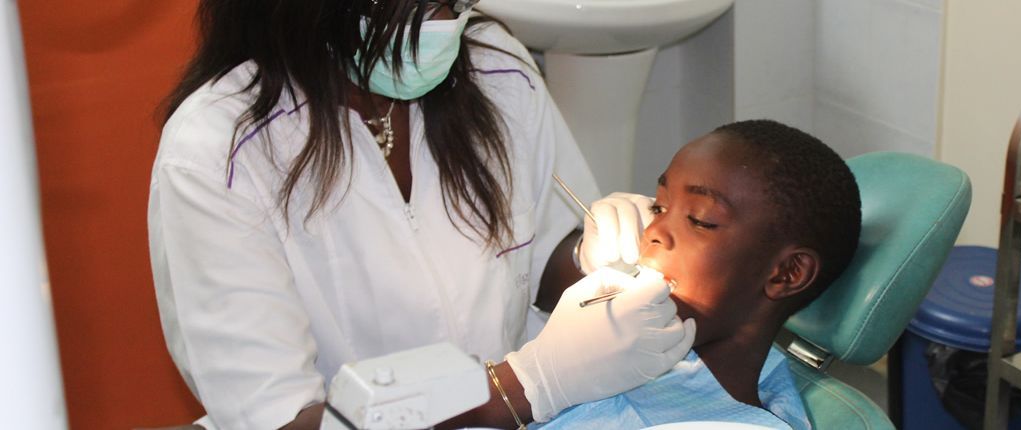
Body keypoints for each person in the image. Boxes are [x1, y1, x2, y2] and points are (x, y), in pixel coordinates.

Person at [148, 1, 694, 429]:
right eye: (422, 4)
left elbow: (540, 250)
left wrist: (588, 256)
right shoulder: (218, 156)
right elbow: (286, 421)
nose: (448, 25)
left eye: (458, 3)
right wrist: (524, 385)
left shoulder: (493, 67)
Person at [534, 119, 863, 429]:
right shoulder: (611, 363)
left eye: (701, 220)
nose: (655, 231)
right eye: (658, 207)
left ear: (787, 273)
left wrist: (524, 389)